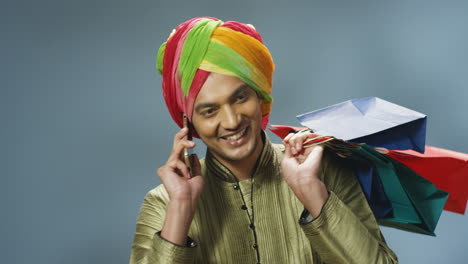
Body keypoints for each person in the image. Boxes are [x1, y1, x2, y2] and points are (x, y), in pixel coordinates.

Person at [130, 17, 398, 264]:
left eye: (240, 98)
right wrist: (181, 210)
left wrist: (311, 191)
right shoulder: (165, 202)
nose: (232, 121)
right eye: (210, 111)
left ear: (260, 96)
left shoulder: (322, 172)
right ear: (189, 123)